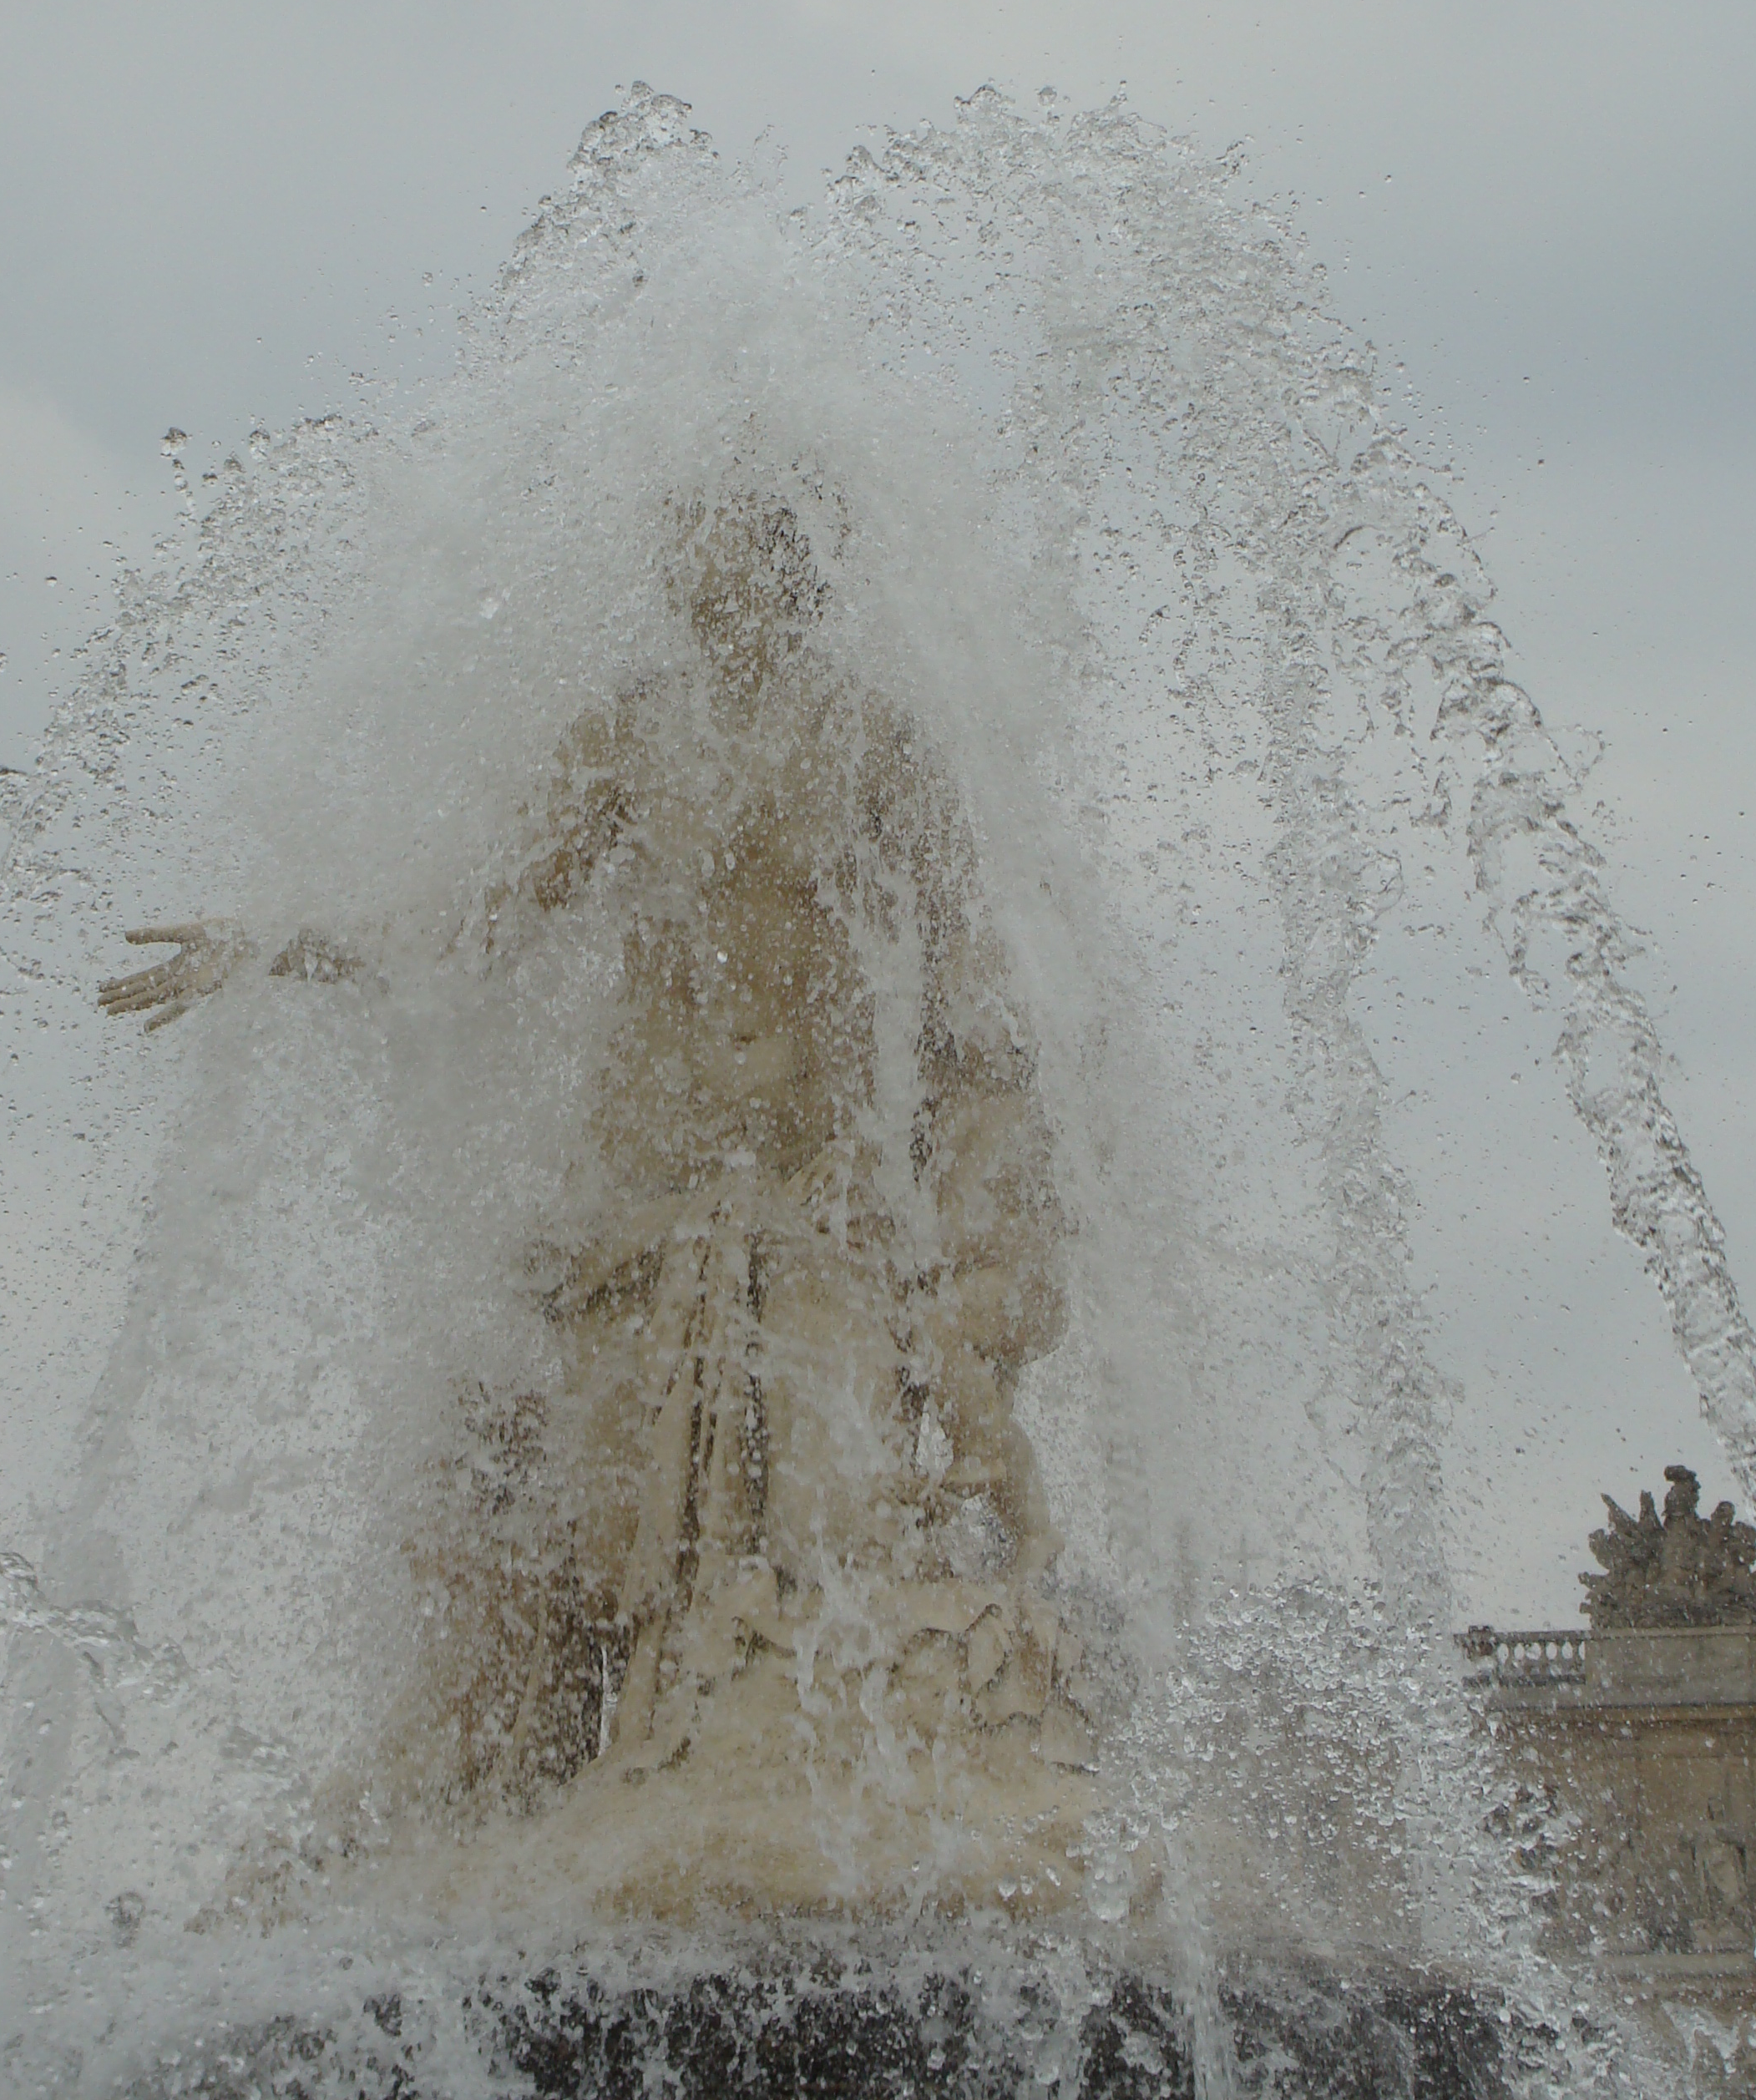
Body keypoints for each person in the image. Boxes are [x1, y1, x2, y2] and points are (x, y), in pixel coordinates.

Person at [103, 493, 1095, 1917]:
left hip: (817, 1198)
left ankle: (801, 1798)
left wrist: (983, 1203)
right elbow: (473, 930)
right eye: (682, 538)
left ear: (786, 564)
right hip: (643, 1189)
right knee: (601, 1528)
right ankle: (558, 1777)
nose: (685, 559)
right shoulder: (630, 735)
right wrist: (278, 945)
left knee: (827, 1527)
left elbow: (963, 990)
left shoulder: (875, 740)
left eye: (720, 532)